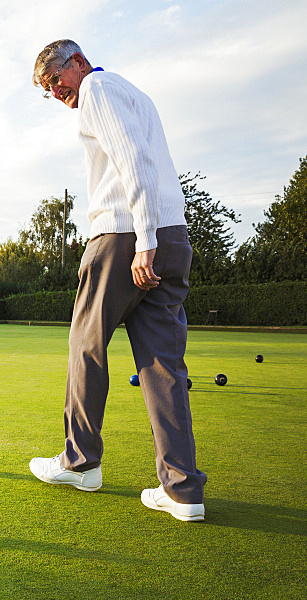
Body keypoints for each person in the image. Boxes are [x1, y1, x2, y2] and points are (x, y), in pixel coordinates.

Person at [27, 39, 205, 522]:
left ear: (78, 63)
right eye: (47, 88)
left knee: (86, 344)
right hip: (171, 236)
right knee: (163, 365)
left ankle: (80, 463)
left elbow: (133, 161)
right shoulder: (135, 94)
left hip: (125, 234)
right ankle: (183, 490)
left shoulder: (98, 88)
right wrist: (154, 238)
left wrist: (143, 238)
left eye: (55, 80)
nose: (56, 91)